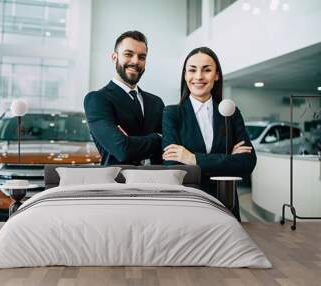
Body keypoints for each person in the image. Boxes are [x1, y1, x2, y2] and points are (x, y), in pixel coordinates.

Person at [162, 47, 256, 221]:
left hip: (225, 204)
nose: (198, 77)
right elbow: (172, 166)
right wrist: (228, 159)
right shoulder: (172, 113)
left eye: (206, 70)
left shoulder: (231, 113)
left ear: (217, 75)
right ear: (185, 75)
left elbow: (247, 162)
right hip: (188, 205)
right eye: (192, 70)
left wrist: (193, 159)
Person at [84, 31, 164, 165]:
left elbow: (169, 147)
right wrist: (158, 138)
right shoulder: (97, 100)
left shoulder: (156, 102)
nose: (135, 61)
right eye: (128, 54)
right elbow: (122, 150)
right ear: (114, 57)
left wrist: (132, 142)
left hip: (157, 182)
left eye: (142, 57)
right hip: (118, 183)